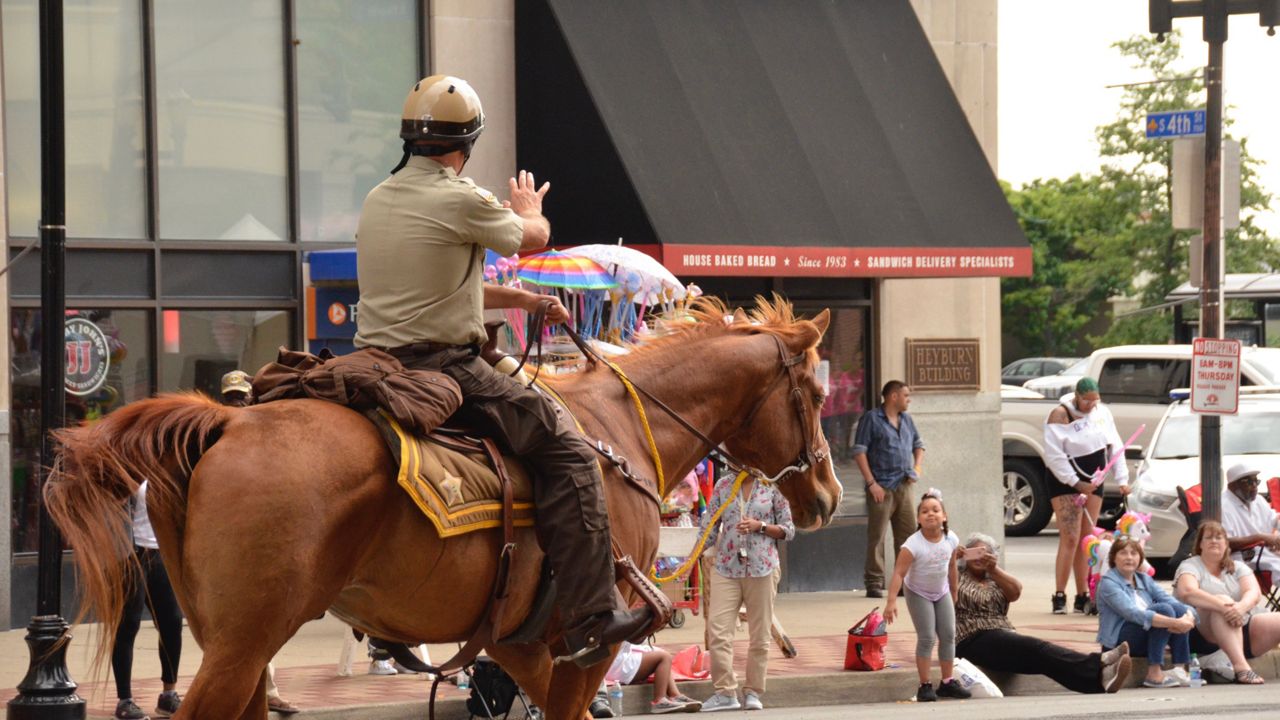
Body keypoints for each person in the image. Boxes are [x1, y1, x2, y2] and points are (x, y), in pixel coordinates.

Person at [353, 75, 651, 666]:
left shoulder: (379, 197)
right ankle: (593, 612)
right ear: (467, 144)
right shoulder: (459, 197)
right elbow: (532, 240)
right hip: (445, 367)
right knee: (569, 450)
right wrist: (529, 210)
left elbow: (442, 289)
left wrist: (524, 303)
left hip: (373, 362)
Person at [955, 532, 1131, 694]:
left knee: (1041, 660)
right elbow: (940, 586)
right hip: (971, 638)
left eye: (984, 553)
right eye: (975, 552)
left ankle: (1098, 683)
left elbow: (1016, 591)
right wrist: (950, 561)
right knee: (1038, 647)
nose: (979, 557)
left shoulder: (995, 578)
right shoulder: (955, 576)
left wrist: (994, 569)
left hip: (1002, 636)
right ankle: (1099, 662)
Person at [219, 372, 301, 715]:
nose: (238, 403)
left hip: (257, 543)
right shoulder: (217, 436)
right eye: (232, 397)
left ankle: (264, 691)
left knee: (259, 624)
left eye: (242, 396)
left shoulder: (261, 435)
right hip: (225, 543)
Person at [698, 470, 794, 711]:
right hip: (726, 567)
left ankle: (753, 691)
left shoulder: (773, 486)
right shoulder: (723, 485)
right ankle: (725, 692)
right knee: (718, 631)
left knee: (760, 635)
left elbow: (788, 530)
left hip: (762, 568)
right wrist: (693, 553)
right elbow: (709, 525)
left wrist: (760, 526)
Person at [1043, 376, 1129, 614]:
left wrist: (1122, 480)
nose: (1091, 405)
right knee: (1069, 537)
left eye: (1095, 401)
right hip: (1066, 478)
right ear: (1077, 397)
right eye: (1086, 401)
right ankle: (1060, 594)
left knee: (1086, 538)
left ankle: (1084, 594)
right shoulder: (1059, 415)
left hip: (1095, 477)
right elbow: (1054, 455)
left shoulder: (1102, 413)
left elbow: (1116, 445)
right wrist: (1075, 482)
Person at [883, 490, 970, 702]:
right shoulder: (913, 545)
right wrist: (891, 602)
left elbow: (951, 566)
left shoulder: (951, 539)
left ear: (944, 515)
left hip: (941, 592)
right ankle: (925, 685)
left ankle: (947, 682)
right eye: (924, 511)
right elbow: (899, 573)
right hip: (918, 592)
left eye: (935, 510)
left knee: (948, 635)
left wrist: (954, 590)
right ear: (918, 519)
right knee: (927, 637)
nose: (930, 514)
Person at [1174, 520, 1280, 684]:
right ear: (1200, 544)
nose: (1214, 541)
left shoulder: (1238, 567)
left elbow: (1254, 593)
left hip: (1241, 624)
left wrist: (1240, 608)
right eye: (1208, 538)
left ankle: (1225, 656)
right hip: (1201, 631)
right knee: (1222, 600)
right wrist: (1224, 607)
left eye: (1219, 538)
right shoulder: (1190, 565)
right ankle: (1241, 668)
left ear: (1226, 544)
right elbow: (1187, 592)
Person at [111, 480, 184, 719]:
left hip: (160, 553)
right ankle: (125, 700)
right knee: (128, 624)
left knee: (172, 622)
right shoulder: (126, 469)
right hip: (130, 555)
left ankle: (168, 695)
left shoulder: (164, 470)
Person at [853, 380, 924, 599]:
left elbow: (919, 445)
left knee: (908, 536)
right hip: (881, 487)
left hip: (904, 485)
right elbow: (859, 452)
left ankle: (906, 583)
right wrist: (871, 483)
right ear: (893, 396)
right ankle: (874, 582)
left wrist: (917, 469)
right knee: (877, 537)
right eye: (906, 395)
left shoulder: (907, 420)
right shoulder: (872, 419)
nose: (908, 399)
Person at [1096, 536, 1196, 688]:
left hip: (1145, 634)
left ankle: (1180, 670)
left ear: (1140, 558)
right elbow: (1133, 613)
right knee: (1164, 610)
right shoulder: (1108, 583)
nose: (1129, 557)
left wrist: (1189, 617)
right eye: (1123, 553)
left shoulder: (1143, 579)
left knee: (1177, 608)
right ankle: (1154, 674)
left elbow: (1170, 600)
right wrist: (1175, 623)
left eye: (1134, 553)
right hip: (1120, 642)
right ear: (1114, 558)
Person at [604, 641, 701, 714]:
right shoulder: (618, 616)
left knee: (659, 651)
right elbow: (637, 638)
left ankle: (675, 695)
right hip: (614, 663)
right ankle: (659, 701)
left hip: (611, 659)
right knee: (664, 657)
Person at [1219, 463, 1280, 574]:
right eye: (1248, 482)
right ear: (1232, 485)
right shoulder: (1223, 506)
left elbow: (1274, 519)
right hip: (1242, 556)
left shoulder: (1258, 500)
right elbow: (1225, 542)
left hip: (1265, 550)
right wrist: (1261, 537)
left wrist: (1275, 537)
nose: (1254, 486)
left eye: (1256, 481)